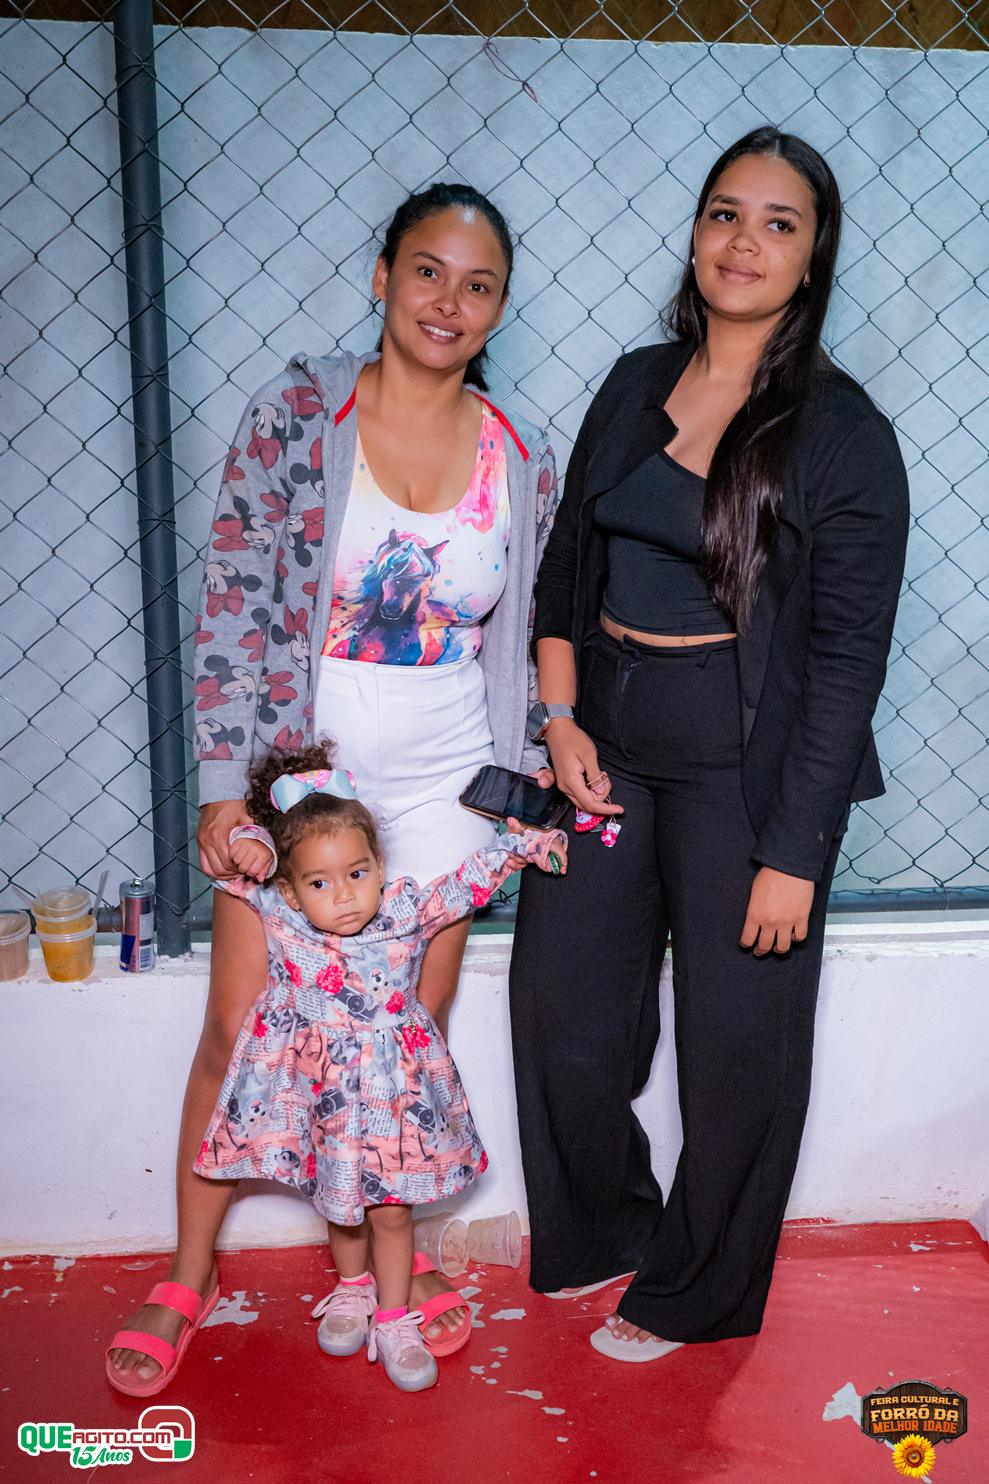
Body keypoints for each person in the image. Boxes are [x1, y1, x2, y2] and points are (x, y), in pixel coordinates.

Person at [106, 182, 559, 1392]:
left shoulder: (519, 452)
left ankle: (373, 1268)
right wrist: (225, 787)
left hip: (448, 778)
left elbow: (524, 636)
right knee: (239, 1027)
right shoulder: (299, 415)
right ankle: (190, 1269)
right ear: (382, 276)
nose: (448, 301)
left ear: (498, 307)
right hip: (301, 778)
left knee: (400, 1043)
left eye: (477, 284)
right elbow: (233, 599)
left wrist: (525, 781)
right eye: (427, 271)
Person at [509, 127, 910, 1361]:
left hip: (748, 773)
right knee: (561, 1004)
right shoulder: (634, 379)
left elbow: (844, 660)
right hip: (604, 747)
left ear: (812, 254)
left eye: (778, 222)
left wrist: (794, 851)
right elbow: (566, 563)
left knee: (737, 1046)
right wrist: (559, 718)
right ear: (694, 234)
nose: (743, 242)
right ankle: (608, 1225)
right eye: (724, 213)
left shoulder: (841, 433)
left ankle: (699, 1288)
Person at [107, 740, 566, 1395]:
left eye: (357, 873)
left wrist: (522, 847)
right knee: (339, 1201)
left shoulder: (405, 910)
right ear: (292, 892)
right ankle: (352, 1288)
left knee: (391, 1212)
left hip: (394, 1102)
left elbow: (464, 883)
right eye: (320, 883)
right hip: (326, 1103)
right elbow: (239, 874)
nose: (345, 896)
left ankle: (394, 1318)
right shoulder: (285, 919)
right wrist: (251, 841)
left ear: (380, 866)